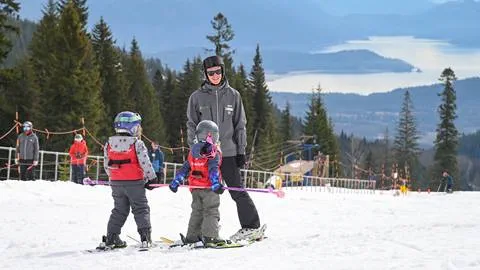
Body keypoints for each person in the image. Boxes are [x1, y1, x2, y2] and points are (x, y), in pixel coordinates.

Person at [186, 55, 263, 242]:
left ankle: (251, 226)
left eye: (218, 71)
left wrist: (241, 150)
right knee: (204, 194)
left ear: (223, 71)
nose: (215, 75)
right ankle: (204, 231)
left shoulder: (233, 95)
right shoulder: (197, 97)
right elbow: (191, 125)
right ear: (205, 74)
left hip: (228, 152)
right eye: (211, 72)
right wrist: (195, 149)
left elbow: (240, 125)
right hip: (206, 156)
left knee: (236, 190)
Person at [99, 111, 159, 250]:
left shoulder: (109, 143)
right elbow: (145, 161)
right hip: (134, 182)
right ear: (133, 128)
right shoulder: (136, 143)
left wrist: (113, 176)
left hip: (116, 182)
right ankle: (145, 237)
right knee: (141, 208)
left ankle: (112, 237)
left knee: (119, 210)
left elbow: (107, 164)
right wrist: (151, 177)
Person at [169, 120, 225, 246]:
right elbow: (213, 169)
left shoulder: (193, 151)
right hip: (209, 188)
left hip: (195, 188)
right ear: (212, 135)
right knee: (211, 211)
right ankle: (210, 236)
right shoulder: (213, 152)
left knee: (197, 211)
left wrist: (177, 180)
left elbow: (185, 168)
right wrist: (215, 183)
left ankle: (193, 236)